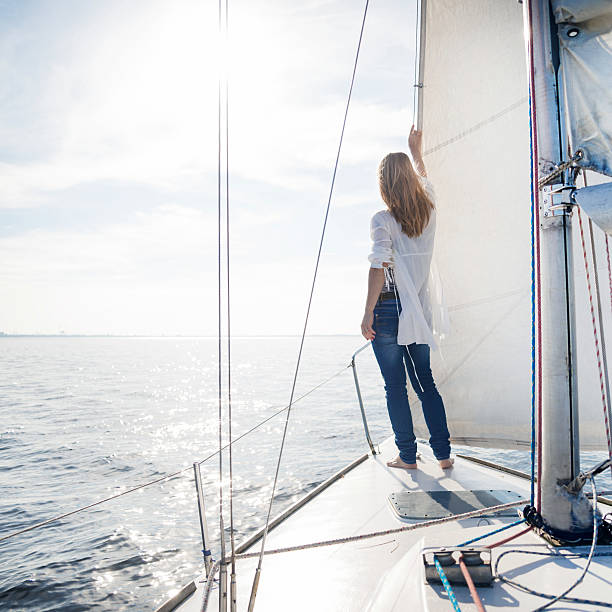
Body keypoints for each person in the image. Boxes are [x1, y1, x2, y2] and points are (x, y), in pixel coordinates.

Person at [361, 126, 452, 470]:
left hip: (388, 308)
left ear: (384, 185)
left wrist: (367, 312)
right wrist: (416, 152)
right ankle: (443, 456)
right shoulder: (428, 211)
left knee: (395, 388)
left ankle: (408, 457)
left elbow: (378, 266)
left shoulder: (382, 220)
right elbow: (426, 182)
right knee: (425, 383)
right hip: (419, 310)